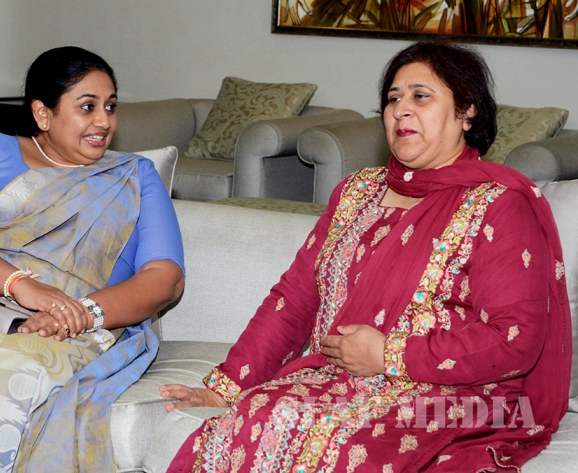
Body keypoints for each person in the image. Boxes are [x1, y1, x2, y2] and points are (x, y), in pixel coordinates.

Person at [160, 40, 570, 472]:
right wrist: (226, 389)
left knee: (341, 442)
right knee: (258, 416)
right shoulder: (358, 192)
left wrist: (390, 354)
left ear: (467, 112)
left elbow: (514, 339)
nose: (401, 110)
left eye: (421, 96)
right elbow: (294, 300)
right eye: (393, 99)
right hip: (338, 380)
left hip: (457, 398)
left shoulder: (498, 204)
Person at [0, 46, 184, 472]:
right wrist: (22, 286)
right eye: (88, 107)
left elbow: (165, 276)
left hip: (67, 326)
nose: (105, 121)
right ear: (43, 113)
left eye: (110, 106)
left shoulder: (133, 176)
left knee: (14, 372)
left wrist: (81, 313)